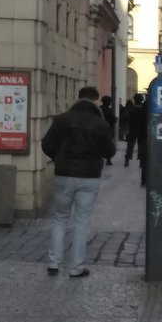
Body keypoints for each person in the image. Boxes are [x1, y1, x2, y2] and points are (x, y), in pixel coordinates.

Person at [41, 86, 116, 278]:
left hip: (64, 174)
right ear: (96, 100)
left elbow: (46, 144)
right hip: (89, 176)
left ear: (79, 98)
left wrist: (59, 157)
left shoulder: (62, 119)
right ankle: (77, 267)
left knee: (59, 218)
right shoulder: (100, 124)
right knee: (81, 222)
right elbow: (110, 151)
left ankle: (54, 263)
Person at [125, 93, 146, 169]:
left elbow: (126, 118)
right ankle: (141, 162)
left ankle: (127, 161)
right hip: (141, 130)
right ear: (141, 100)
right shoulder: (144, 109)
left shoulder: (131, 108)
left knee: (130, 145)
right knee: (141, 146)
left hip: (132, 129)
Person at [99, 96, 117, 165]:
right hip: (107, 129)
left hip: (99, 129)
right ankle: (108, 160)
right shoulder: (109, 110)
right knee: (108, 145)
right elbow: (114, 119)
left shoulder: (99, 109)